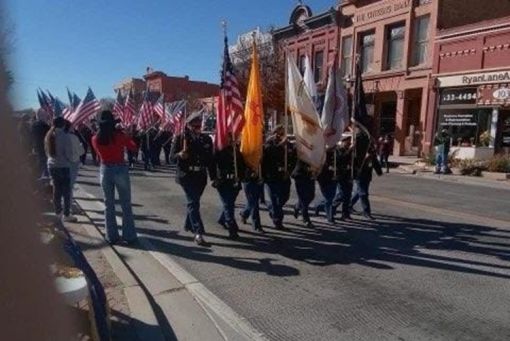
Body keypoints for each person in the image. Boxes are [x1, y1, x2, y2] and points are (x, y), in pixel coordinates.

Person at [91, 110, 138, 245]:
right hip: (120, 168)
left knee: (108, 204)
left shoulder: (95, 138)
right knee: (125, 204)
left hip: (105, 169)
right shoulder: (120, 136)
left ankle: (111, 236)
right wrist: (127, 135)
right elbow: (133, 147)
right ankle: (129, 236)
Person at [170, 116, 215, 245]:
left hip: (200, 176)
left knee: (194, 202)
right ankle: (198, 232)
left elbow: (210, 160)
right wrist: (179, 155)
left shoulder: (206, 139)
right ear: (188, 126)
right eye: (195, 126)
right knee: (193, 203)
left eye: (199, 126)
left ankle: (188, 225)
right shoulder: (181, 138)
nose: (198, 129)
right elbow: (171, 158)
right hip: (187, 175)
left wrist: (214, 177)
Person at [45, 116, 77, 222]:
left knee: (56, 190)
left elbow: (47, 151)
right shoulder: (65, 136)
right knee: (66, 192)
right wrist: (72, 159)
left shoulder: (48, 136)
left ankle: (57, 212)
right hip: (63, 165)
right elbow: (68, 154)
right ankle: (66, 214)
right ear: (63, 125)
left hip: (52, 165)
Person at [212, 137, 245, 240]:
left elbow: (241, 166)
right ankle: (232, 228)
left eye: (234, 138)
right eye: (230, 138)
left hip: (234, 182)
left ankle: (222, 219)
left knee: (229, 203)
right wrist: (214, 178)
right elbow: (212, 164)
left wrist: (240, 177)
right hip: (223, 182)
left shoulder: (237, 151)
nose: (233, 140)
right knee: (228, 204)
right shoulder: (220, 150)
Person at [262, 125, 294, 230]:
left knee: (284, 197)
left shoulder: (287, 145)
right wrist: (280, 145)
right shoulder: (269, 144)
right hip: (272, 176)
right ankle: (278, 221)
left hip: (284, 176)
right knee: (275, 199)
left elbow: (294, 157)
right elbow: (268, 155)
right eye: (277, 133)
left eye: (282, 133)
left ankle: (272, 208)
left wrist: (289, 171)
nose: (279, 135)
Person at [351, 146, 383, 220]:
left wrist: (379, 172)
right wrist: (365, 159)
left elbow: (375, 163)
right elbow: (355, 165)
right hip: (359, 176)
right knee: (363, 194)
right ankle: (366, 212)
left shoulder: (372, 156)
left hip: (367, 177)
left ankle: (349, 205)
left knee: (359, 193)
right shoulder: (359, 155)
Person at [64, 120, 85, 211]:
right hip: (72, 163)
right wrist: (80, 146)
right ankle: (68, 207)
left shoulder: (56, 137)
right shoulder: (73, 137)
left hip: (60, 163)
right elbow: (81, 152)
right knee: (69, 186)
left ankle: (65, 205)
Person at [315, 145, 338, 223]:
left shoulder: (336, 153)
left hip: (333, 179)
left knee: (330, 198)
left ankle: (319, 207)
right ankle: (330, 217)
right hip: (323, 179)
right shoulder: (322, 154)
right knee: (329, 199)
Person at [292, 159, 316, 229]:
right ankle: (306, 219)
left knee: (311, 195)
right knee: (303, 198)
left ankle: (297, 206)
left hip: (310, 175)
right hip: (300, 175)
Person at [240, 166, 264, 233]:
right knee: (254, 203)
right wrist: (250, 173)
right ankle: (256, 225)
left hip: (260, 178)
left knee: (253, 201)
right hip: (249, 179)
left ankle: (244, 213)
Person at [31, 108, 51, 179]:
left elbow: (31, 138)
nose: (46, 116)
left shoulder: (33, 125)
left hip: (37, 147)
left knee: (40, 163)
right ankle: (44, 179)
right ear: (41, 116)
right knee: (45, 165)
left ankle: (40, 177)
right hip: (45, 148)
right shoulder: (45, 126)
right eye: (44, 115)